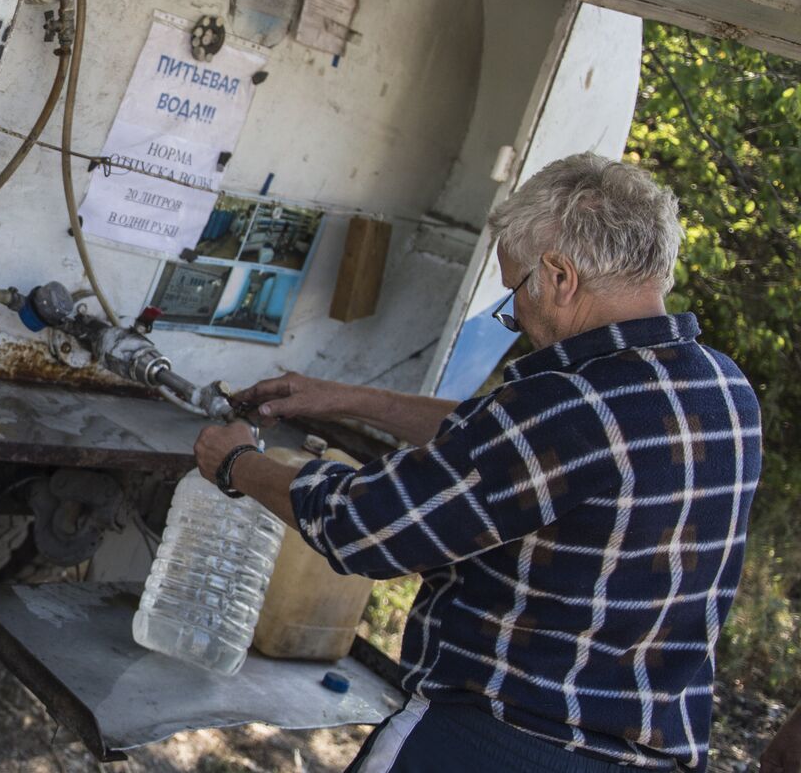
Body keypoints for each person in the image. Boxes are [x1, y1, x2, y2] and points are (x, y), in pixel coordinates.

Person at [195, 153, 761, 772]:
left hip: (504, 743)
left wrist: (239, 465)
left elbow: (365, 527)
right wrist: (351, 400)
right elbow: (513, 451)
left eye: (515, 288)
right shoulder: (722, 388)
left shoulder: (567, 406)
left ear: (561, 276)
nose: (514, 314)